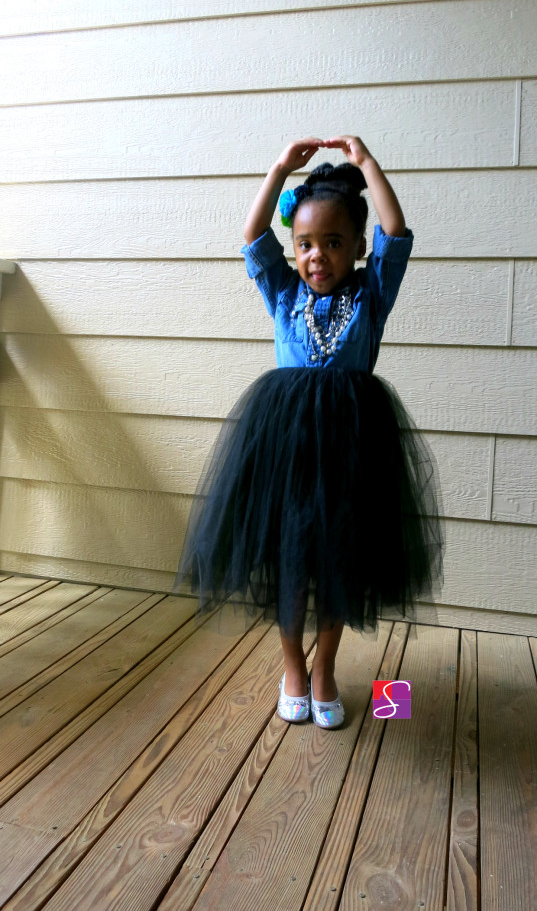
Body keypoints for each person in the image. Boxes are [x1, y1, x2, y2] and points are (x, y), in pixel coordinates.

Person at [176, 135, 444, 729]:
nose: (317, 255)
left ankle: (325, 668)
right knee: (291, 560)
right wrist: (278, 168)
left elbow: (396, 233)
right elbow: (253, 236)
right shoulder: (283, 291)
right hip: (286, 451)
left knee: (340, 561)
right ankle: (292, 668)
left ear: (356, 247)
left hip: (352, 449)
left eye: (333, 242)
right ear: (293, 249)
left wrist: (366, 164)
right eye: (305, 244)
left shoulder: (372, 294)